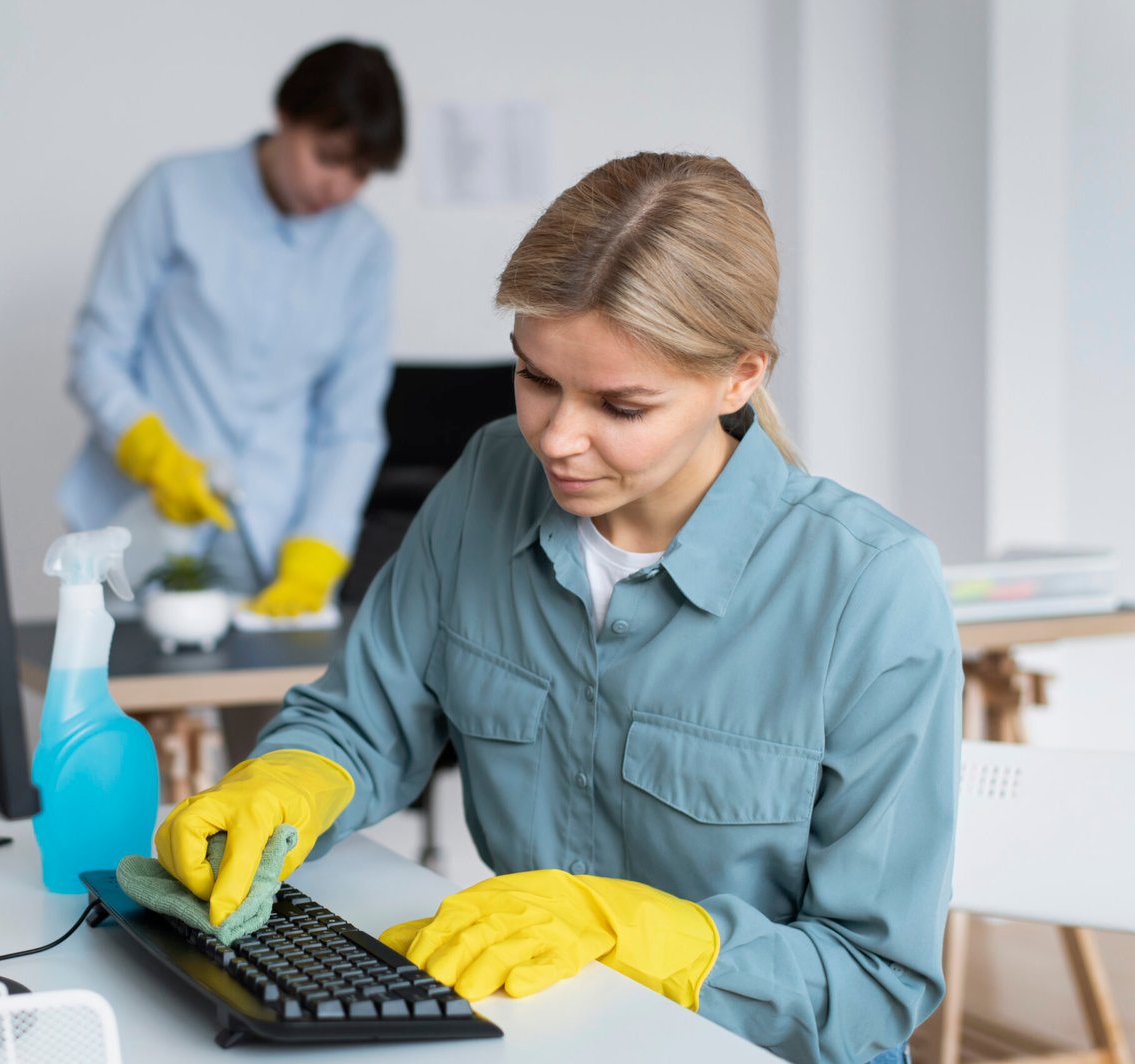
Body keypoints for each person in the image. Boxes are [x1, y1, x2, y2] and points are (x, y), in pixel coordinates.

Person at [153, 152, 961, 1064]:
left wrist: (623, 929)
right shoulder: (488, 477)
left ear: (740, 377)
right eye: (537, 378)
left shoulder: (871, 588)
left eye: (621, 405)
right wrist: (286, 782)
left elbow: (874, 986)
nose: (556, 438)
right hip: (532, 1035)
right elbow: (363, 719)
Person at [58, 39, 405, 617]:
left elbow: (350, 422)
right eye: (327, 156)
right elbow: (97, 352)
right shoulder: (174, 192)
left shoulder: (365, 248)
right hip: (138, 520)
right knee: (135, 704)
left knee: (276, 707)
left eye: (361, 172)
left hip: (269, 532)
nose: (339, 187)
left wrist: (318, 549)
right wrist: (150, 452)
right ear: (285, 116)